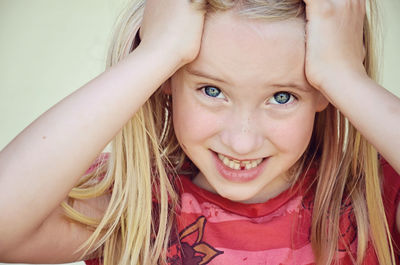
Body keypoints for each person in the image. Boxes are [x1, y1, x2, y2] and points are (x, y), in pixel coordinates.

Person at [0, 0, 399, 264]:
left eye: (281, 96)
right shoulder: (134, 206)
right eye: (212, 90)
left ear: (324, 93)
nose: (242, 141)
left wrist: (347, 76)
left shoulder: (373, 205)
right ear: (167, 79)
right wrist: (157, 52)